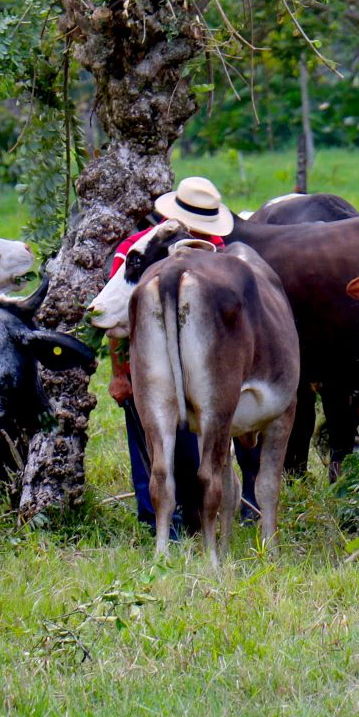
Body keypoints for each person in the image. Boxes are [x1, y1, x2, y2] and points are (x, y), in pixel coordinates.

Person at [105, 177, 249, 534]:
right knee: (155, 446)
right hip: (153, 364)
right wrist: (122, 374)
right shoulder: (136, 253)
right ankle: (157, 521)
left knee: (200, 444)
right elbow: (119, 311)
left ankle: (201, 516)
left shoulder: (218, 250)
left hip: (204, 366)